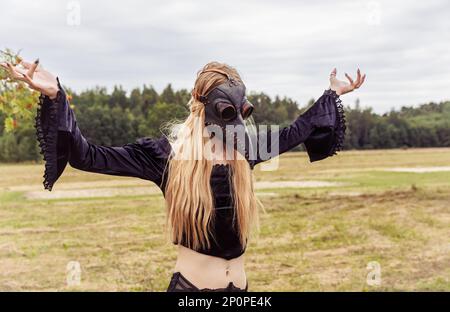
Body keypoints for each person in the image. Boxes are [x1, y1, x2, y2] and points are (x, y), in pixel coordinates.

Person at [1, 60, 365, 291]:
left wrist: (332, 95)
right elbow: (88, 155)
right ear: (203, 103)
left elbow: (296, 131)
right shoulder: (167, 157)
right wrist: (55, 97)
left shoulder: (245, 151)